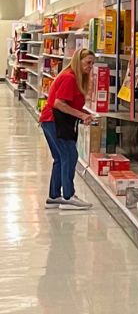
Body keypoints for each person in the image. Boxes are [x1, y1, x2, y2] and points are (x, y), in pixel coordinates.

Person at [39, 47, 96, 210]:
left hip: (51, 120)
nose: (90, 67)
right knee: (70, 155)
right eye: (88, 63)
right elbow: (59, 104)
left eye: (92, 64)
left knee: (60, 158)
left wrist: (84, 113)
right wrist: (81, 115)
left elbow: (69, 104)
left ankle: (54, 197)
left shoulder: (73, 77)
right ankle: (68, 196)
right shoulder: (70, 78)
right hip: (55, 121)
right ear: (78, 61)